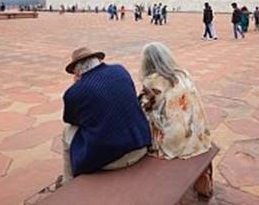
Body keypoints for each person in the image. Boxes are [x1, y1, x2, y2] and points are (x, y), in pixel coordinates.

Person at [61, 47, 151, 184]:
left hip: (111, 159)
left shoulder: (74, 92)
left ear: (77, 72)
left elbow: (71, 119)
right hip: (140, 144)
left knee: (67, 132)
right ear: (98, 60)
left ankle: (68, 183)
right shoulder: (121, 70)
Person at [139, 42, 211, 160]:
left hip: (174, 140)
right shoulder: (183, 74)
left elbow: (146, 108)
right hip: (196, 133)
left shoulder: (152, 81)